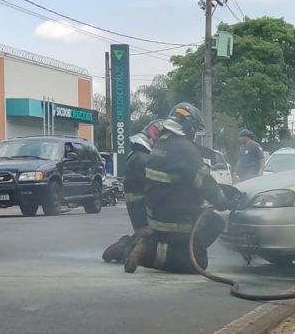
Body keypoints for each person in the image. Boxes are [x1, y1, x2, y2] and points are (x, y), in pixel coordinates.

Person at [123, 103, 241, 274]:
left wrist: (223, 189)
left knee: (215, 222)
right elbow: (204, 182)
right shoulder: (185, 149)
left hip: (158, 219)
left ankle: (171, 249)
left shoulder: (161, 145)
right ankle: (149, 252)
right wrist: (224, 201)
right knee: (198, 263)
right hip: (176, 224)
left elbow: (182, 181)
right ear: (188, 125)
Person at [101, 120, 164, 263]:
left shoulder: (136, 157)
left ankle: (128, 243)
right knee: (152, 248)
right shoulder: (143, 159)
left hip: (142, 220)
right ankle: (128, 247)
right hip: (148, 220)